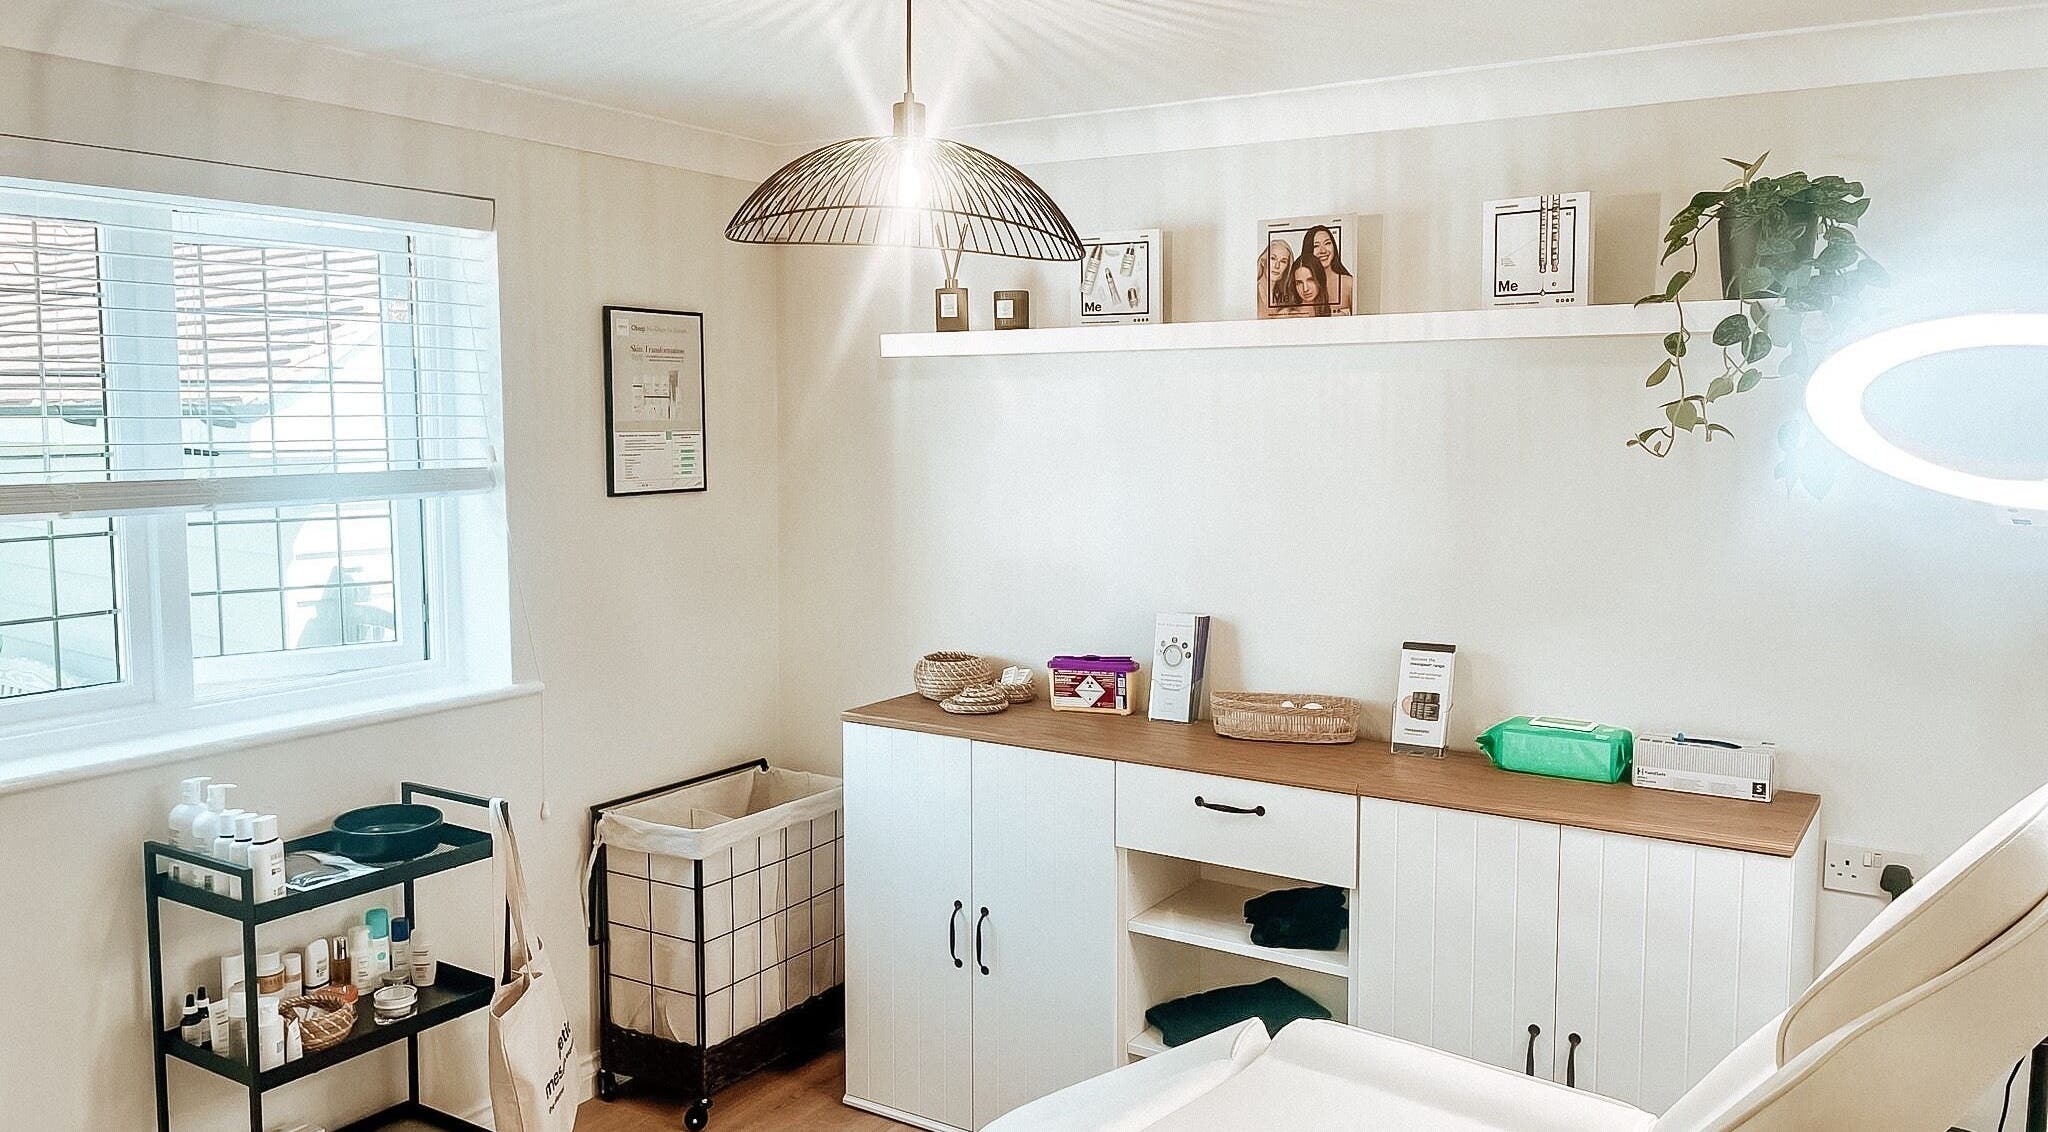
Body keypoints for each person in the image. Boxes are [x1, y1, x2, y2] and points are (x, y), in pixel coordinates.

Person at [1301, 224, 1355, 314]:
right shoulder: (1302, 286)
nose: (1323, 251)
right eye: (1316, 246)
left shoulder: (1348, 283)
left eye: (1327, 243)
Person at [1256, 238, 1294, 319]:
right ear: (1263, 261)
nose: (1277, 266)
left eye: (1283, 261)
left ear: (1287, 268)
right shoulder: (1252, 292)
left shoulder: (1286, 298)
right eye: (1273, 258)